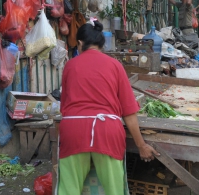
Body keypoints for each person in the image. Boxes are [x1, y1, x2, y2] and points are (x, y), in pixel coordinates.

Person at [58, 19, 159, 195]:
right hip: (107, 131)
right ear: (101, 44)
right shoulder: (115, 65)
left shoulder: (69, 66)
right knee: (114, 190)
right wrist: (141, 145)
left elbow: (64, 107)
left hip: (73, 129)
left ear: (80, 43)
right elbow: (128, 111)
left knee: (69, 189)